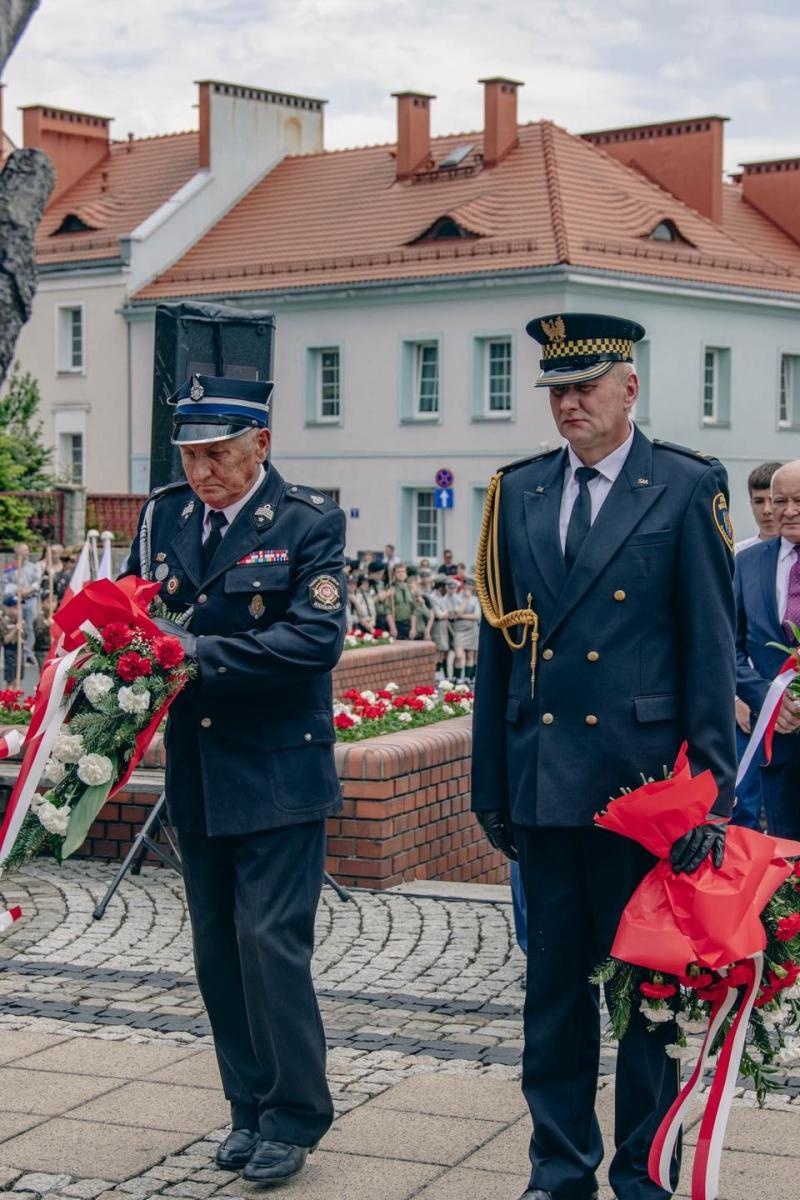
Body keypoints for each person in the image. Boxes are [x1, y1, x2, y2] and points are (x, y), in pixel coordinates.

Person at [472, 312, 736, 1200]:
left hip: (643, 792)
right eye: (556, 389)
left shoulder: (685, 486)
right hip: (546, 785)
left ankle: (643, 1173)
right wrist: (490, 783)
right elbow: (498, 652)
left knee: (648, 998)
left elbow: (709, 649)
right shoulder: (518, 492)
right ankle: (558, 1169)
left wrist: (711, 798)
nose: (568, 404)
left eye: (585, 387)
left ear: (630, 387)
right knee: (553, 997)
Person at [122, 374, 346, 1188]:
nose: (202, 471)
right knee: (218, 950)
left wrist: (195, 655)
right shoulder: (165, 517)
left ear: (262, 445)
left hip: (279, 768)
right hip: (201, 769)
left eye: (218, 454)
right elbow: (136, 613)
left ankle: (293, 1116)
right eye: (190, 455)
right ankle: (247, 1107)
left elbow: (314, 640)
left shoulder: (307, 521)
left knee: (269, 945)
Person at [734, 459, 800, 840]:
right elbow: (728, 647)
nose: (787, 510)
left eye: (798, 500)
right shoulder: (746, 563)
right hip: (778, 743)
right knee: (784, 849)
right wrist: (767, 699)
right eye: (779, 500)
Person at [732, 461, 782, 830]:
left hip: (788, 699)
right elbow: (727, 636)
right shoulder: (739, 558)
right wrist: (738, 698)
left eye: (772, 500)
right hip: (748, 704)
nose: (766, 511)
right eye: (758, 501)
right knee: (742, 803)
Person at [3, 542, 40, 662]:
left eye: (28, 550)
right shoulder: (9, 568)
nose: (27, 553)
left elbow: (37, 582)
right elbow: (5, 585)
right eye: (25, 550)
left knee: (30, 627)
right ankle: (17, 652)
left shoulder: (33, 567)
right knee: (18, 626)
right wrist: (17, 589)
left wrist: (29, 590)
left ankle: (27, 652)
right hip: (16, 602)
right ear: (17, 552)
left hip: (30, 600)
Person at [452, 577, 480, 680]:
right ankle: (456, 677)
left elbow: (476, 616)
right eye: (467, 585)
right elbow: (458, 612)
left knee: (470, 655)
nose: (469, 587)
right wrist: (466, 599)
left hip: (472, 629)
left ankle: (467, 679)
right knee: (458, 655)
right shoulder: (456, 597)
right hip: (459, 629)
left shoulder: (475, 599)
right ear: (463, 585)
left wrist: (462, 615)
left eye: (471, 585)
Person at [385, 563, 416, 640]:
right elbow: (388, 611)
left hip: (408, 625)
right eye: (398, 572)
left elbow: (413, 610)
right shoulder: (390, 588)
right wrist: (393, 628)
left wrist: (413, 628)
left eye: (403, 571)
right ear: (394, 574)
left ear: (406, 574)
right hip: (396, 624)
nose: (401, 574)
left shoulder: (409, 588)